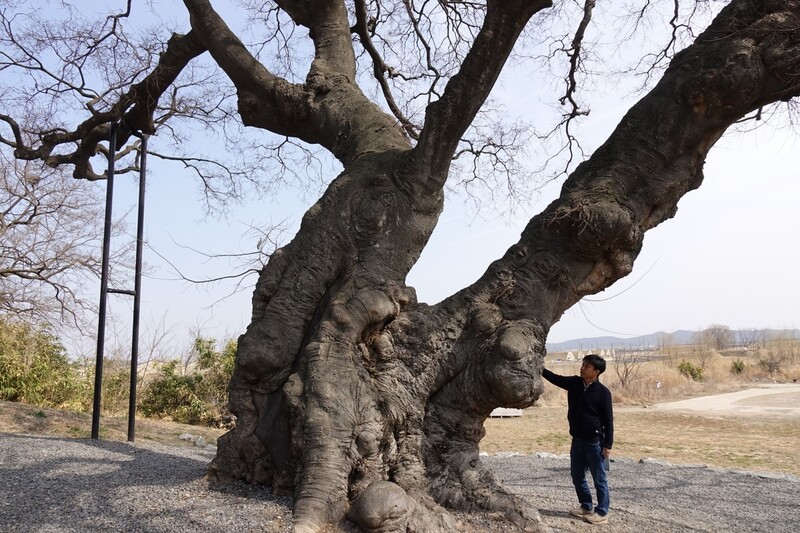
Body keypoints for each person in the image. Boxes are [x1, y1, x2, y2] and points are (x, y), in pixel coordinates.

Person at [542, 354, 614, 525]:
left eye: (586, 366)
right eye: (582, 364)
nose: (582, 368)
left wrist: (608, 444)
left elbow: (608, 421)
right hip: (577, 440)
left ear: (596, 372)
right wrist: (540, 369)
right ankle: (586, 506)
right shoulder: (575, 383)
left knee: (599, 478)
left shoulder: (603, 393)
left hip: (594, 442)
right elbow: (556, 379)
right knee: (577, 475)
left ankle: (602, 512)